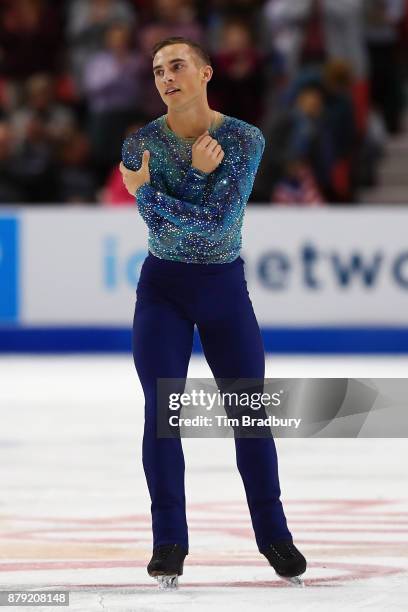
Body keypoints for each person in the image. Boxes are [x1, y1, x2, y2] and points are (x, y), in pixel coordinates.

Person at [119, 36, 307, 589]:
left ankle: (275, 536)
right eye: (157, 70)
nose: (166, 77)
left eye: (177, 66)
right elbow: (165, 230)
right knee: (163, 413)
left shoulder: (244, 139)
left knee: (250, 414)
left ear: (205, 72)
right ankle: (168, 542)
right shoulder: (141, 143)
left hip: (224, 290)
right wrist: (179, 188)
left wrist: (147, 192)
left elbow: (216, 224)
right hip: (163, 291)